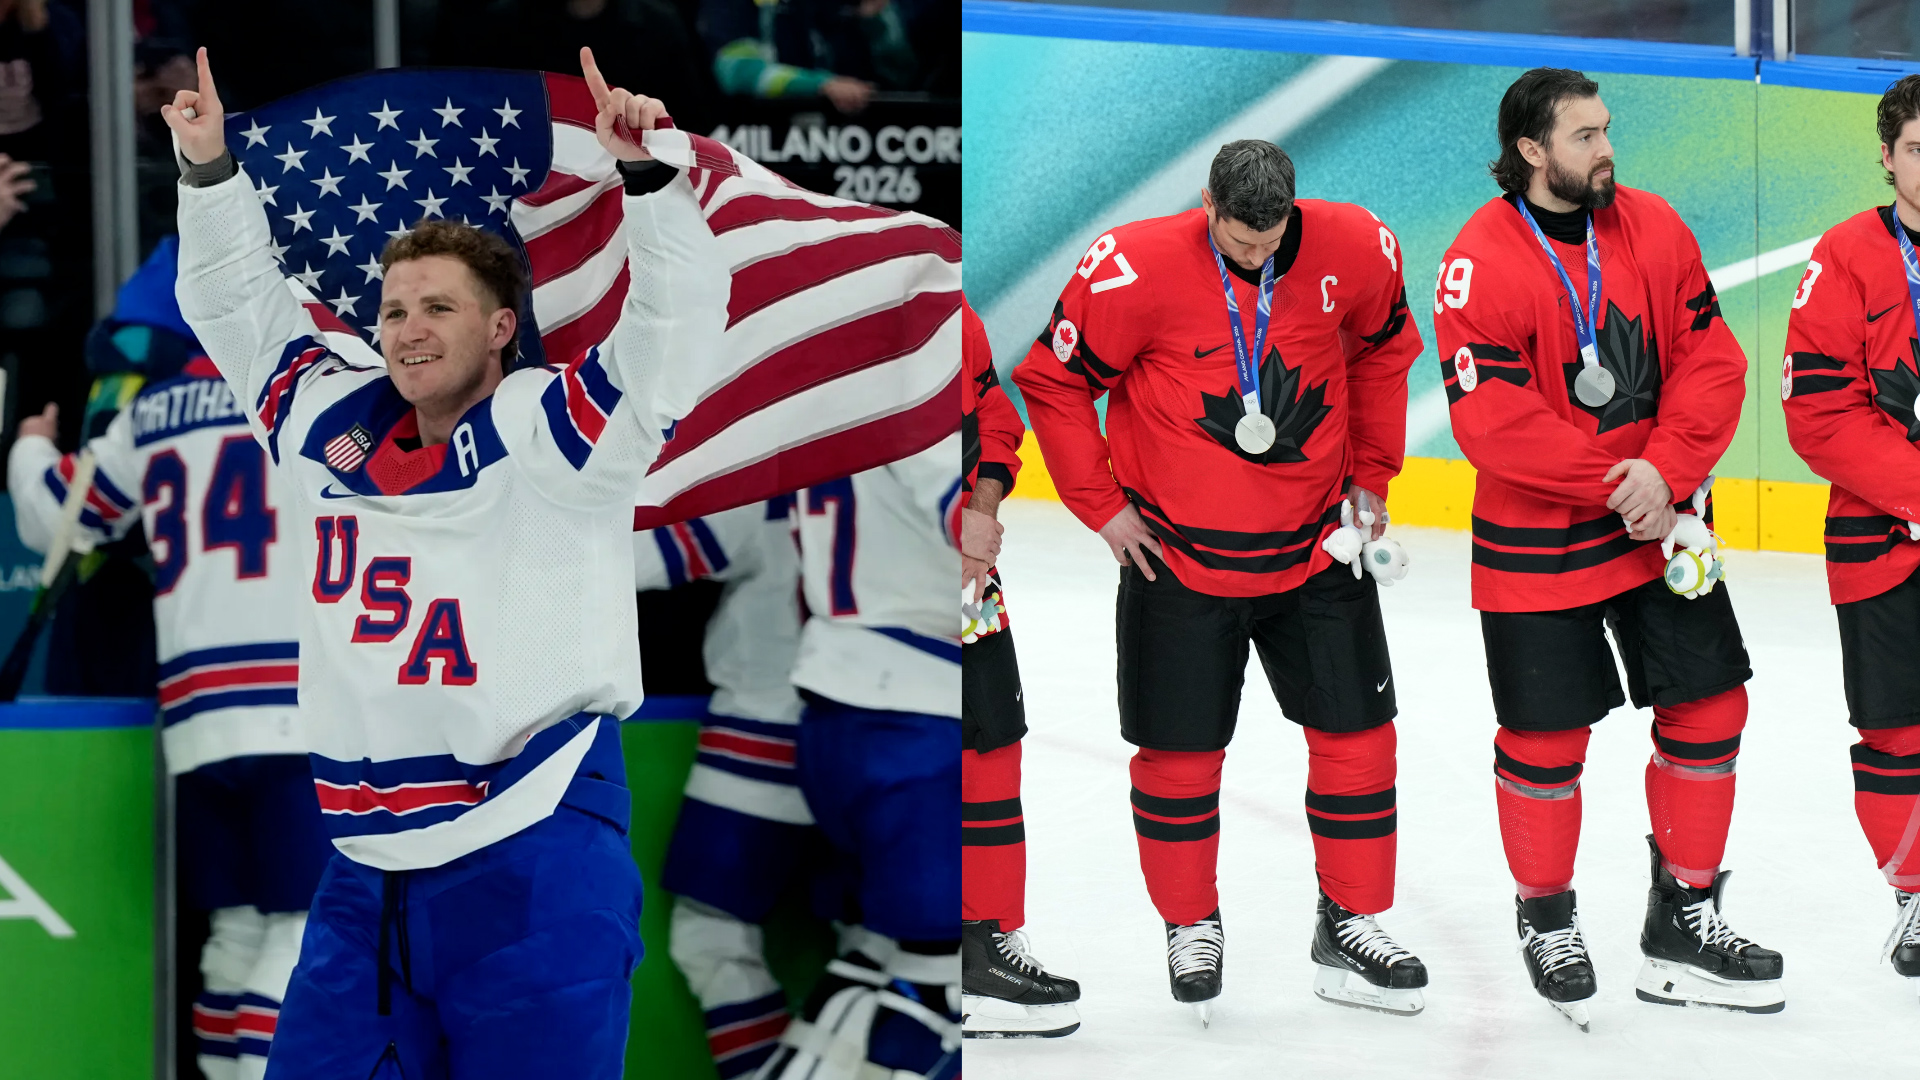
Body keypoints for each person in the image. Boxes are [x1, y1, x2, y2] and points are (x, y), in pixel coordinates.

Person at [160, 47, 689, 1078]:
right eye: (395, 310)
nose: (407, 330)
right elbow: (238, 306)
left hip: (533, 837)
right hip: (367, 863)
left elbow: (663, 344)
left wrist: (650, 185)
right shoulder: (324, 416)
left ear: (501, 328)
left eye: (438, 308)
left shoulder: (557, 428)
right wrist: (211, 172)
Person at [1012, 139, 1427, 1024]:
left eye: (1271, 240)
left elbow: (1390, 347)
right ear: (1207, 203)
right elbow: (1051, 379)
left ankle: (1349, 921)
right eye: (1240, 243)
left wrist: (1373, 474)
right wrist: (1100, 507)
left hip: (1319, 549)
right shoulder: (1131, 267)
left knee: (1360, 745)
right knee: (1179, 759)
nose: (1257, 257)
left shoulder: (1357, 245)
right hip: (1177, 560)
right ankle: (1190, 923)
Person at [1433, 67, 1782, 1027]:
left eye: (1607, 130)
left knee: (1713, 706)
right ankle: (1547, 918)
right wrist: (1613, 481)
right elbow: (1492, 420)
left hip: (1661, 525)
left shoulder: (1653, 225)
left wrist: (1664, 473)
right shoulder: (1479, 259)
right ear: (1532, 150)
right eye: (1585, 136)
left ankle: (1685, 917)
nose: (1606, 149)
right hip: (1539, 539)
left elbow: (1714, 361)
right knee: (1546, 741)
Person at [6, 237, 330, 1080]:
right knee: (299, 935)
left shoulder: (149, 416)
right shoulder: (328, 396)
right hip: (301, 717)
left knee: (235, 936)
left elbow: (57, 517)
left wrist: (31, 444)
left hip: (197, 726)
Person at [755, 442, 962, 1078]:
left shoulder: (838, 399)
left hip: (835, 714)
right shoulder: (922, 400)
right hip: (918, 723)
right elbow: (971, 528)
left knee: (875, 956)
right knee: (944, 986)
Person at [1780, 71, 1920, 991]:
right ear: (1886, 156)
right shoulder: (1845, 257)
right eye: (1919, 149)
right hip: (1880, 542)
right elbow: (1818, 415)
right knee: (1895, 731)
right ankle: (1917, 893)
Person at [635, 501, 816, 1079]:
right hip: (882, 734)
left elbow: (631, 559)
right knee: (889, 945)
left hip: (761, 733)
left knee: (712, 932)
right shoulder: (906, 465)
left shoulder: (767, 481)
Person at [958, 295, 1081, 1038]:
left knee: (993, 744)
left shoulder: (951, 309)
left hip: (968, 576)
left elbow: (993, 414)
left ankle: (986, 940)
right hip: (896, 578)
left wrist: (983, 501)